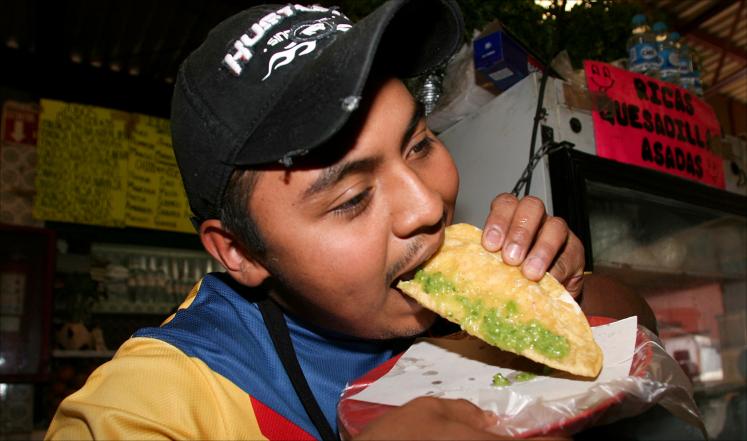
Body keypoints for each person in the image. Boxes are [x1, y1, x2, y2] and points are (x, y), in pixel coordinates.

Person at [46, 1, 587, 439]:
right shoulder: (146, 410)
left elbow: (626, 323)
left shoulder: (447, 309)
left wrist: (564, 287)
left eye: (420, 144)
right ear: (239, 252)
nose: (426, 206)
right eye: (352, 198)